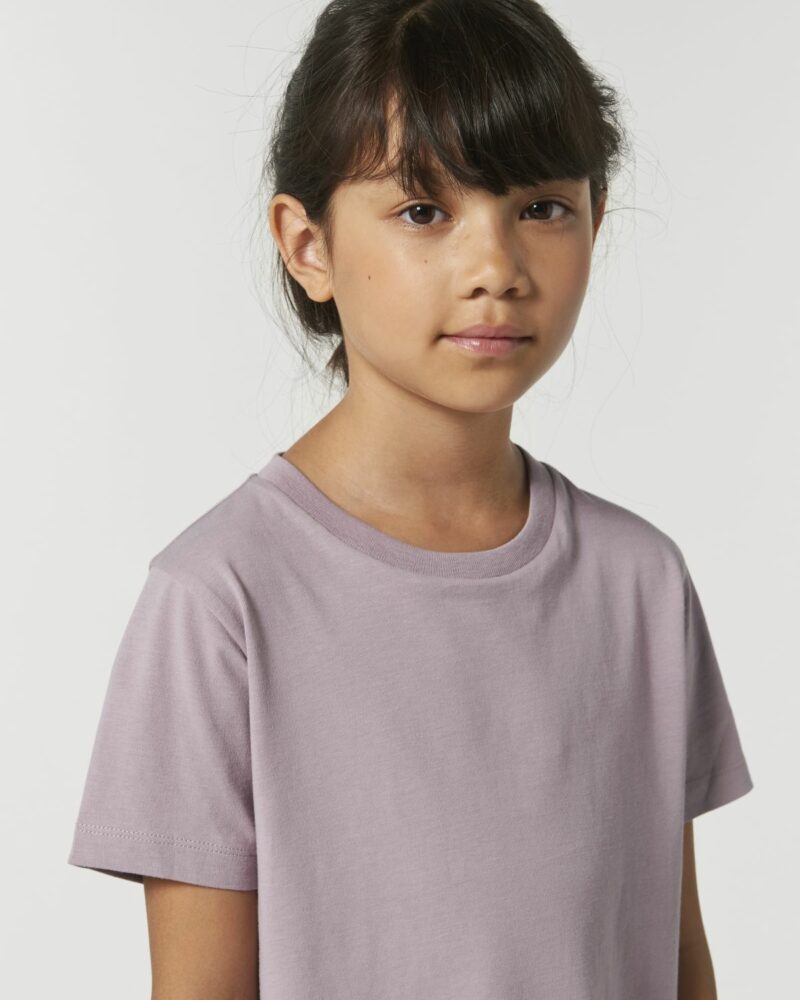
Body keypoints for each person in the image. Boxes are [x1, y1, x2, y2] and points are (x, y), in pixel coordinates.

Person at [67, 2, 754, 998]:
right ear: (307, 245)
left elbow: (675, 961)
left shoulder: (639, 581)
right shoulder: (219, 602)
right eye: (424, 211)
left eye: (540, 207)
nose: (495, 268)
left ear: (596, 220)